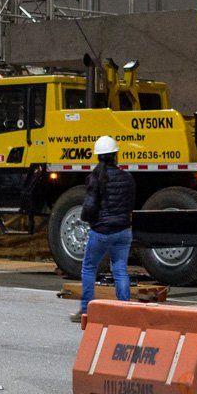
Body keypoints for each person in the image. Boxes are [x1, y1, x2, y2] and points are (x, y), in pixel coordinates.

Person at [71, 134, 135, 323]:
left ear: (98, 156)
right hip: (123, 231)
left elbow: (89, 207)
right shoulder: (127, 178)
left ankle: (86, 311)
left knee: (89, 268)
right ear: (116, 155)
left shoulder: (95, 178)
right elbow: (129, 204)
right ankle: (125, 311)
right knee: (120, 268)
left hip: (101, 231)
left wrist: (87, 219)